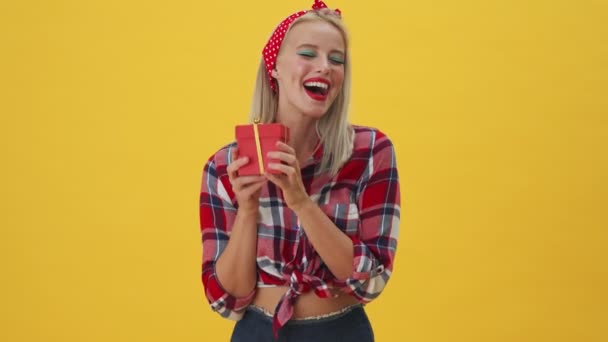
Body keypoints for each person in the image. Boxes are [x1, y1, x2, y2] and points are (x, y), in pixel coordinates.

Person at [199, 1, 401, 341]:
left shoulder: (370, 151)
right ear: (273, 67)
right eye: (308, 54)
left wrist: (300, 201)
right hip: (257, 332)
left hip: (341, 332)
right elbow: (227, 301)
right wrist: (247, 210)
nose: (325, 67)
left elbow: (370, 281)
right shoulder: (224, 167)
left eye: (337, 60)